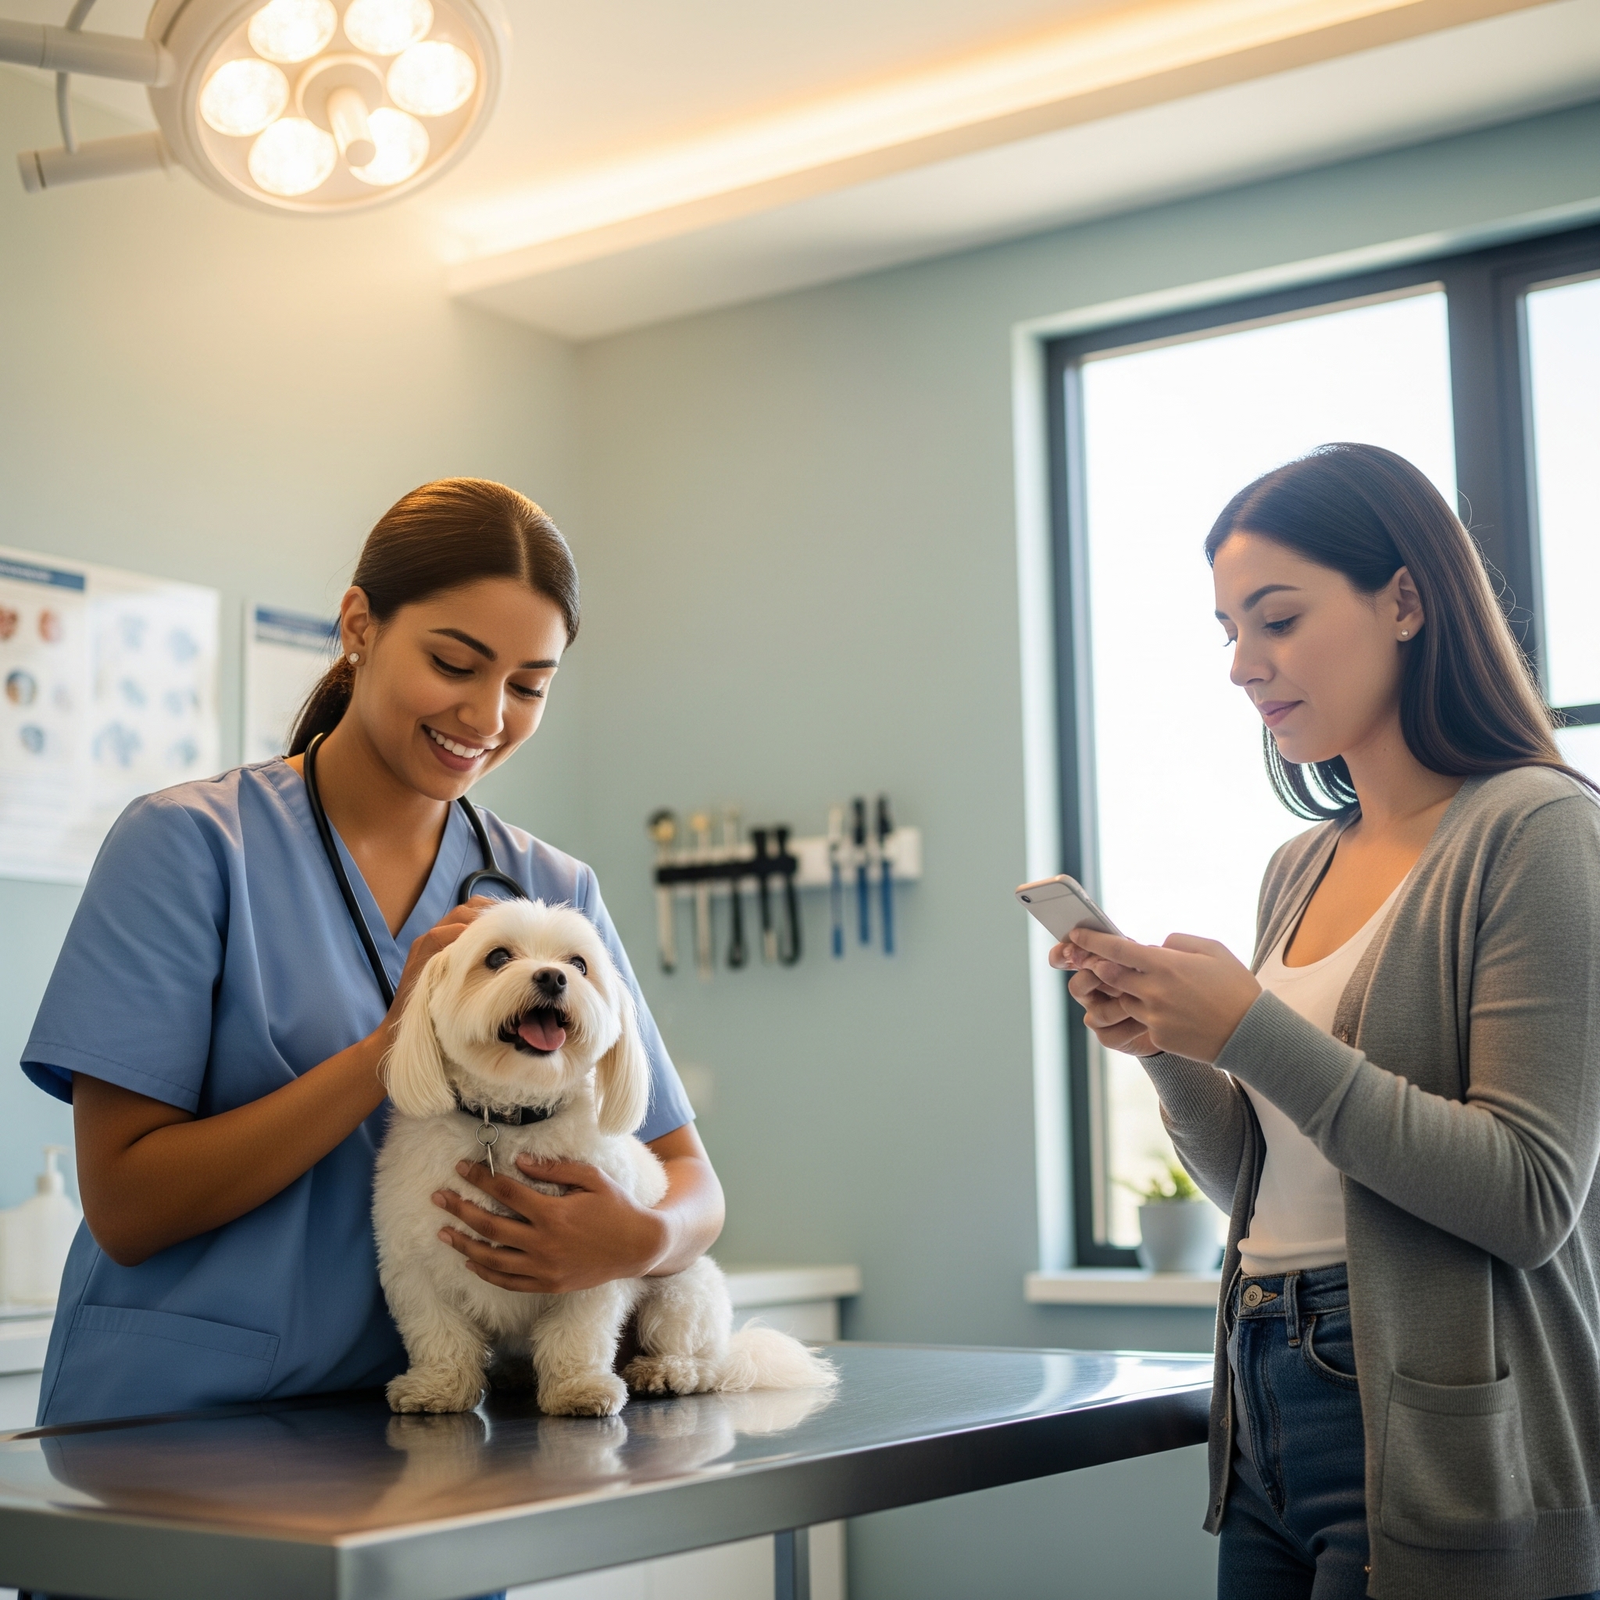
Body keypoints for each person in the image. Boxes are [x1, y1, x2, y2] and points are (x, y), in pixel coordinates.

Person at [22, 478, 722, 1438]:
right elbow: (127, 1207)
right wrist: (391, 1050)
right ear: (359, 625)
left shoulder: (547, 889)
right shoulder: (188, 846)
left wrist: (633, 1241)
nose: (486, 716)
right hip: (178, 1423)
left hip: (426, 1432)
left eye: (528, 686)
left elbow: (690, 1179)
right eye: (454, 662)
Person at [1053, 443, 1600, 1600]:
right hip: (1262, 1390)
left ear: (1402, 599)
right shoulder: (1298, 865)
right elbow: (1266, 1179)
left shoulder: (1539, 831)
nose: (1244, 665)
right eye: (1227, 633)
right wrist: (1165, 1046)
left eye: (1277, 619)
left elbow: (1526, 1196)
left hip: (1437, 1415)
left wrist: (1249, 1027)